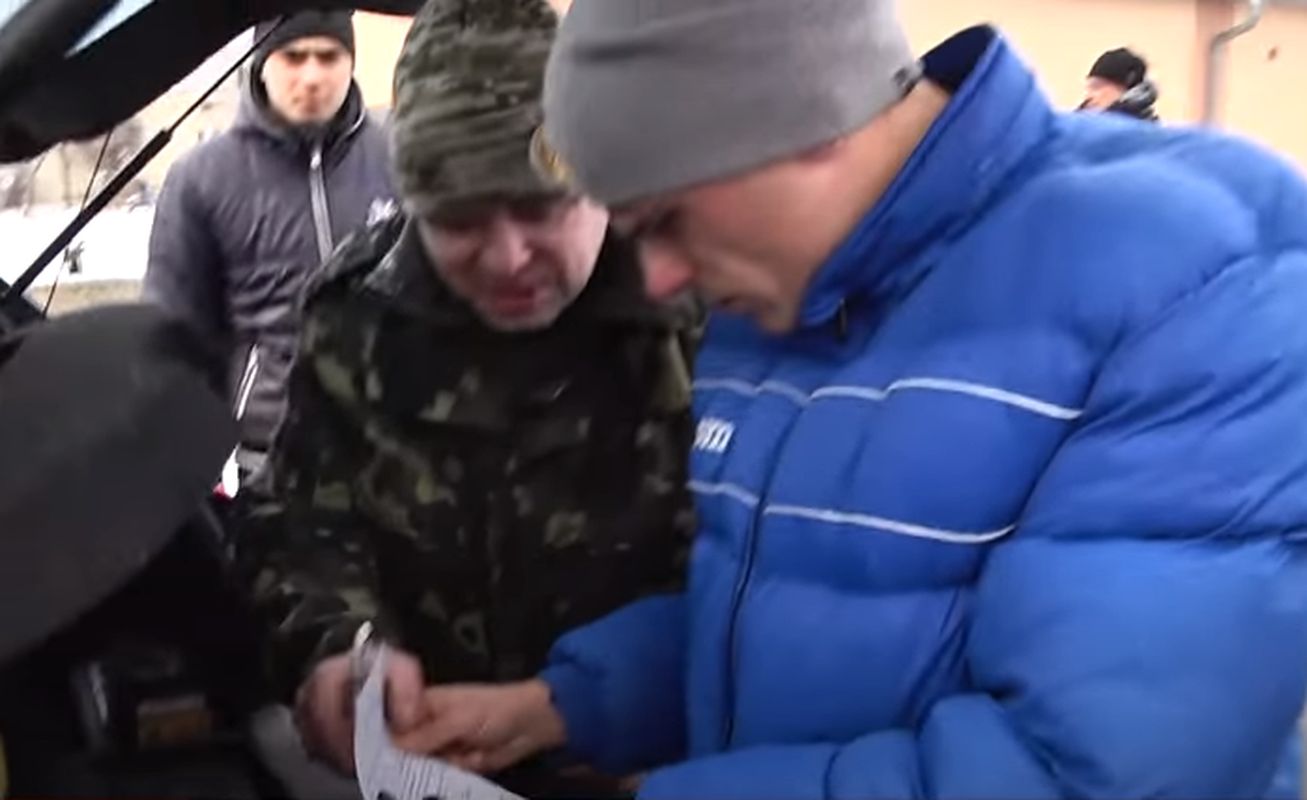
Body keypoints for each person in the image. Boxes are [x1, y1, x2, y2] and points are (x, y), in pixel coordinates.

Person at [390, 3, 1307, 798]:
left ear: (802, 113)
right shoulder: (781, 290)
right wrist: (566, 703)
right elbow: (785, 604)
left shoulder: (1199, 277)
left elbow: (1085, 774)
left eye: (665, 220)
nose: (661, 278)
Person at [232, 0, 699, 796]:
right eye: (457, 221)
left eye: (538, 208)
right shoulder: (359, 317)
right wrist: (341, 651)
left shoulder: (702, 308)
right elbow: (301, 527)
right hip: (429, 770)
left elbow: (765, 580)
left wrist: (630, 715)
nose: (506, 257)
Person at [144, 10, 395, 481]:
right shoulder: (202, 179)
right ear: (262, 62)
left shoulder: (398, 161)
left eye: (329, 56)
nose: (312, 76)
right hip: (270, 463)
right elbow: (172, 336)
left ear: (351, 61)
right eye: (294, 57)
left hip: (394, 455)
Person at [1079, 46, 1159, 121]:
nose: (1088, 96)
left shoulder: (1148, 129)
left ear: (1128, 90)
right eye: (1088, 88)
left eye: (1096, 87)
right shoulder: (1081, 125)